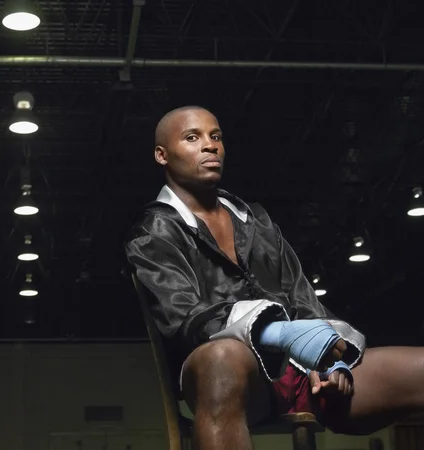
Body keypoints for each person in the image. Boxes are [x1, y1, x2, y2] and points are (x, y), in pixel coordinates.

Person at [124, 105, 424, 448]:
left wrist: (329, 357)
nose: (210, 146)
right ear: (162, 155)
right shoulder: (154, 232)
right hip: (234, 382)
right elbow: (184, 320)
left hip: (302, 375)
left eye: (215, 136)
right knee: (221, 357)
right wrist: (280, 332)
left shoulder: (257, 221)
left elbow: (302, 299)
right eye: (192, 137)